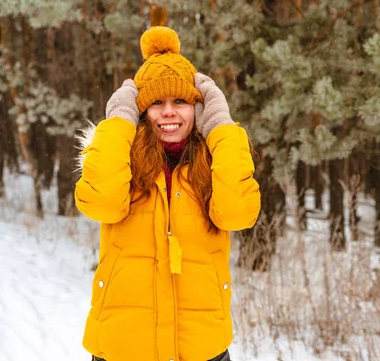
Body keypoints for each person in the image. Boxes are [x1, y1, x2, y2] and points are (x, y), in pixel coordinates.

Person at [74, 26, 261, 361]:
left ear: (199, 108)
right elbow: (101, 203)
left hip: (201, 345)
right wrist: (119, 121)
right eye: (156, 102)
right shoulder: (120, 160)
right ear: (141, 111)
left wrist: (221, 125)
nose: (169, 112)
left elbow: (238, 213)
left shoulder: (216, 162)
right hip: (123, 345)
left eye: (181, 101)